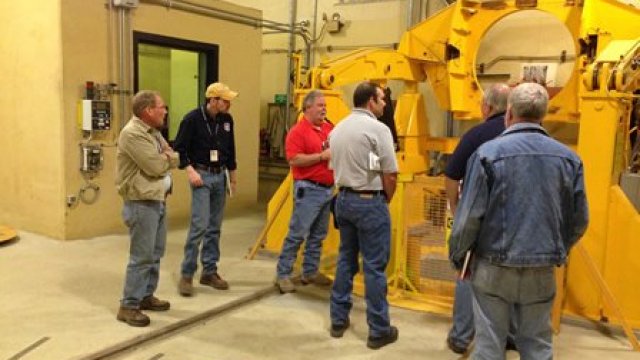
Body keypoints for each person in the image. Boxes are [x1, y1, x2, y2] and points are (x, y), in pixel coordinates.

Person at [449, 82, 589, 359]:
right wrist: (554, 249)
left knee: (489, 347)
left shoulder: (487, 154)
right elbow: (579, 219)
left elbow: (469, 218)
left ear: (509, 114)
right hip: (542, 269)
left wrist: (459, 257)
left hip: (493, 268)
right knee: (537, 345)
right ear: (543, 115)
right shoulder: (569, 159)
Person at [328, 81, 399, 350]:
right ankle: (379, 330)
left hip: (343, 199)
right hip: (369, 201)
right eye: (381, 99)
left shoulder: (338, 129)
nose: (384, 104)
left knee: (346, 258)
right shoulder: (378, 130)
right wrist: (384, 201)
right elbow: (389, 173)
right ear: (370, 101)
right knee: (374, 266)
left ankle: (338, 319)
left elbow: (339, 165)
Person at [444, 83, 511, 354]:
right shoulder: (528, 136)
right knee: (512, 277)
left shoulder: (477, 135)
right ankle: (510, 335)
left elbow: (451, 175)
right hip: (515, 224)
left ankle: (461, 336)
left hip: (479, 221)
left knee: (467, 272)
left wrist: (458, 206)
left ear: (487, 107)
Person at [115, 90, 178, 327]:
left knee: (155, 253)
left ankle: (145, 296)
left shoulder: (153, 133)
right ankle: (129, 305)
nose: (165, 110)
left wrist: (168, 156)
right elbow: (154, 166)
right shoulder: (132, 134)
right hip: (141, 203)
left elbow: (170, 155)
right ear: (148, 110)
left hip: (157, 200)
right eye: (162, 106)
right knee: (141, 256)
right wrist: (167, 158)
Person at [173, 82, 238, 296]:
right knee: (199, 226)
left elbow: (231, 149)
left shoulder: (227, 120)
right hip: (201, 175)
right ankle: (187, 273)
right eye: (224, 100)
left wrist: (233, 178)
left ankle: (209, 271)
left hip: (220, 176)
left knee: (215, 227)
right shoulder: (192, 119)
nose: (228, 104)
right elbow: (179, 150)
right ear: (212, 100)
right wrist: (190, 171)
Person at [275, 90, 334, 293]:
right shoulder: (297, 132)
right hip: (309, 189)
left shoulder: (328, 129)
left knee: (318, 234)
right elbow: (294, 159)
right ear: (307, 107)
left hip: (327, 190)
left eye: (325, 105)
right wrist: (321, 157)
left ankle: (310, 271)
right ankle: (283, 274)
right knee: (297, 233)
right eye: (320, 105)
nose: (324, 108)